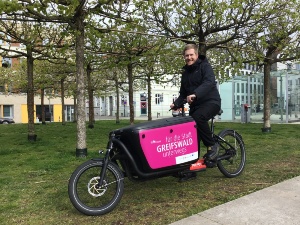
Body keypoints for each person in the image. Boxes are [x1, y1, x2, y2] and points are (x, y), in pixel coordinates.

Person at [170, 44, 221, 181]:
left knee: (198, 118)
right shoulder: (185, 73)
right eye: (186, 55)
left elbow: (209, 82)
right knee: (190, 134)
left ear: (197, 55)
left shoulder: (205, 66)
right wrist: (176, 104)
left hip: (211, 102)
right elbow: (183, 94)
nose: (189, 57)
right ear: (184, 57)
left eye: (191, 55)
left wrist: (196, 94)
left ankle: (213, 145)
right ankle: (191, 168)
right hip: (196, 106)